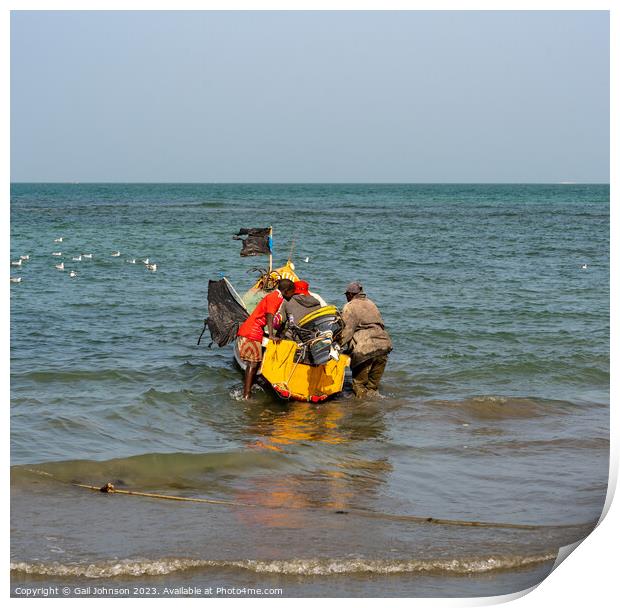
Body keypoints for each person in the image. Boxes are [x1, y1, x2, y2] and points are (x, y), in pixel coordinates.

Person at [237, 278, 296, 399]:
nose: (293, 294)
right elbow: (270, 314)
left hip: (252, 329)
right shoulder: (277, 297)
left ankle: (248, 389)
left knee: (254, 363)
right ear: (286, 290)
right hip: (252, 331)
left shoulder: (274, 295)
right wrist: (271, 335)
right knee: (253, 363)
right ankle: (246, 394)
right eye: (292, 292)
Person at [339, 281, 392, 398]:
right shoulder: (371, 304)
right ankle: (374, 412)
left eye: (346, 295)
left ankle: (361, 413)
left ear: (349, 294)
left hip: (365, 349)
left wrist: (337, 346)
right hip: (384, 346)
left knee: (359, 386)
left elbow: (347, 332)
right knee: (372, 388)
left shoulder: (350, 306)